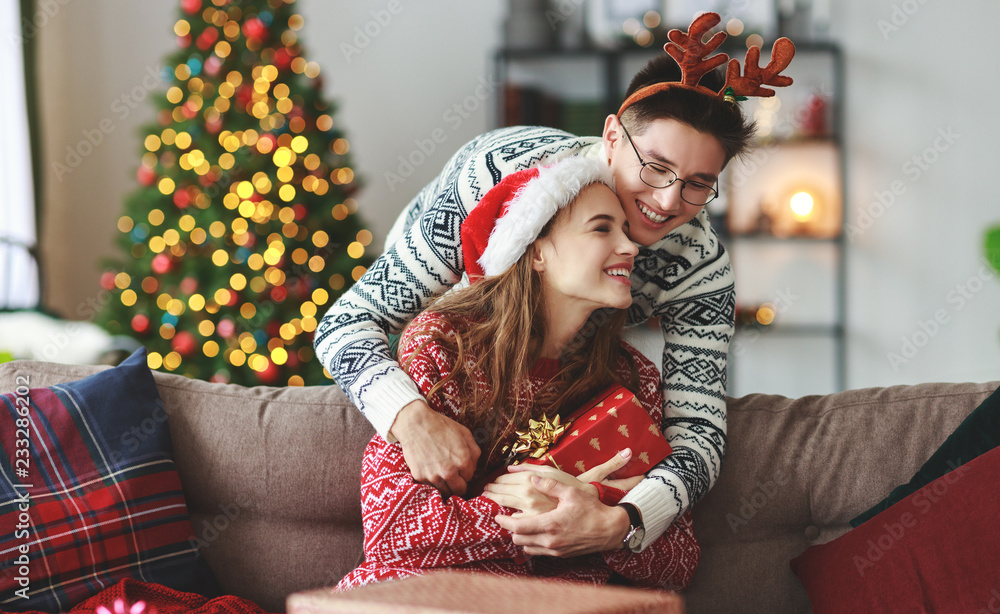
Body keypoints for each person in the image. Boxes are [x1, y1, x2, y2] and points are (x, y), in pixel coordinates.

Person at [315, 12, 795, 555]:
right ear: (613, 135)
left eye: (697, 184)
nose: (666, 202)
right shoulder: (496, 173)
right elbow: (348, 323)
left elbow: (699, 431)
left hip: (559, 388)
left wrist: (624, 522)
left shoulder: (701, 269)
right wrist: (411, 417)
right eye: (656, 167)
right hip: (454, 356)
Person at [336, 156, 699, 590]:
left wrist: (602, 518)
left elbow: (680, 560)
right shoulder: (444, 346)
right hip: (433, 592)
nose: (630, 247)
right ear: (537, 250)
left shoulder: (633, 377)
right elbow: (392, 531)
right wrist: (530, 510)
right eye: (602, 228)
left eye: (625, 231)